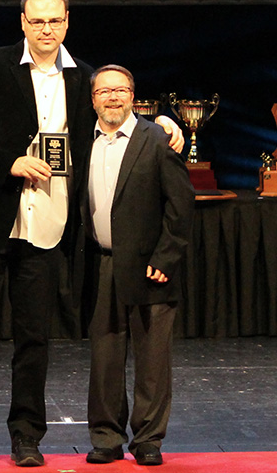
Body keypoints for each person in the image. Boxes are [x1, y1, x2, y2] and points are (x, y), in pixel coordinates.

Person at [0, 0, 184, 470]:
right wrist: (10, 162)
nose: (46, 29)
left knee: (35, 341)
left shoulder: (83, 80)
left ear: (67, 22)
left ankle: (27, 437)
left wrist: (165, 126)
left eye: (55, 20)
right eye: (37, 20)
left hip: (46, 231)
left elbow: (115, 122)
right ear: (22, 23)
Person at [81, 65, 195, 466]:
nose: (112, 98)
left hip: (151, 267)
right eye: (103, 92)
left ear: (133, 95)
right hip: (101, 266)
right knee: (105, 358)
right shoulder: (83, 141)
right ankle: (106, 437)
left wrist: (166, 257)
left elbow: (180, 206)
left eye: (120, 90)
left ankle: (148, 439)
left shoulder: (157, 138)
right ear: (92, 99)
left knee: (151, 360)